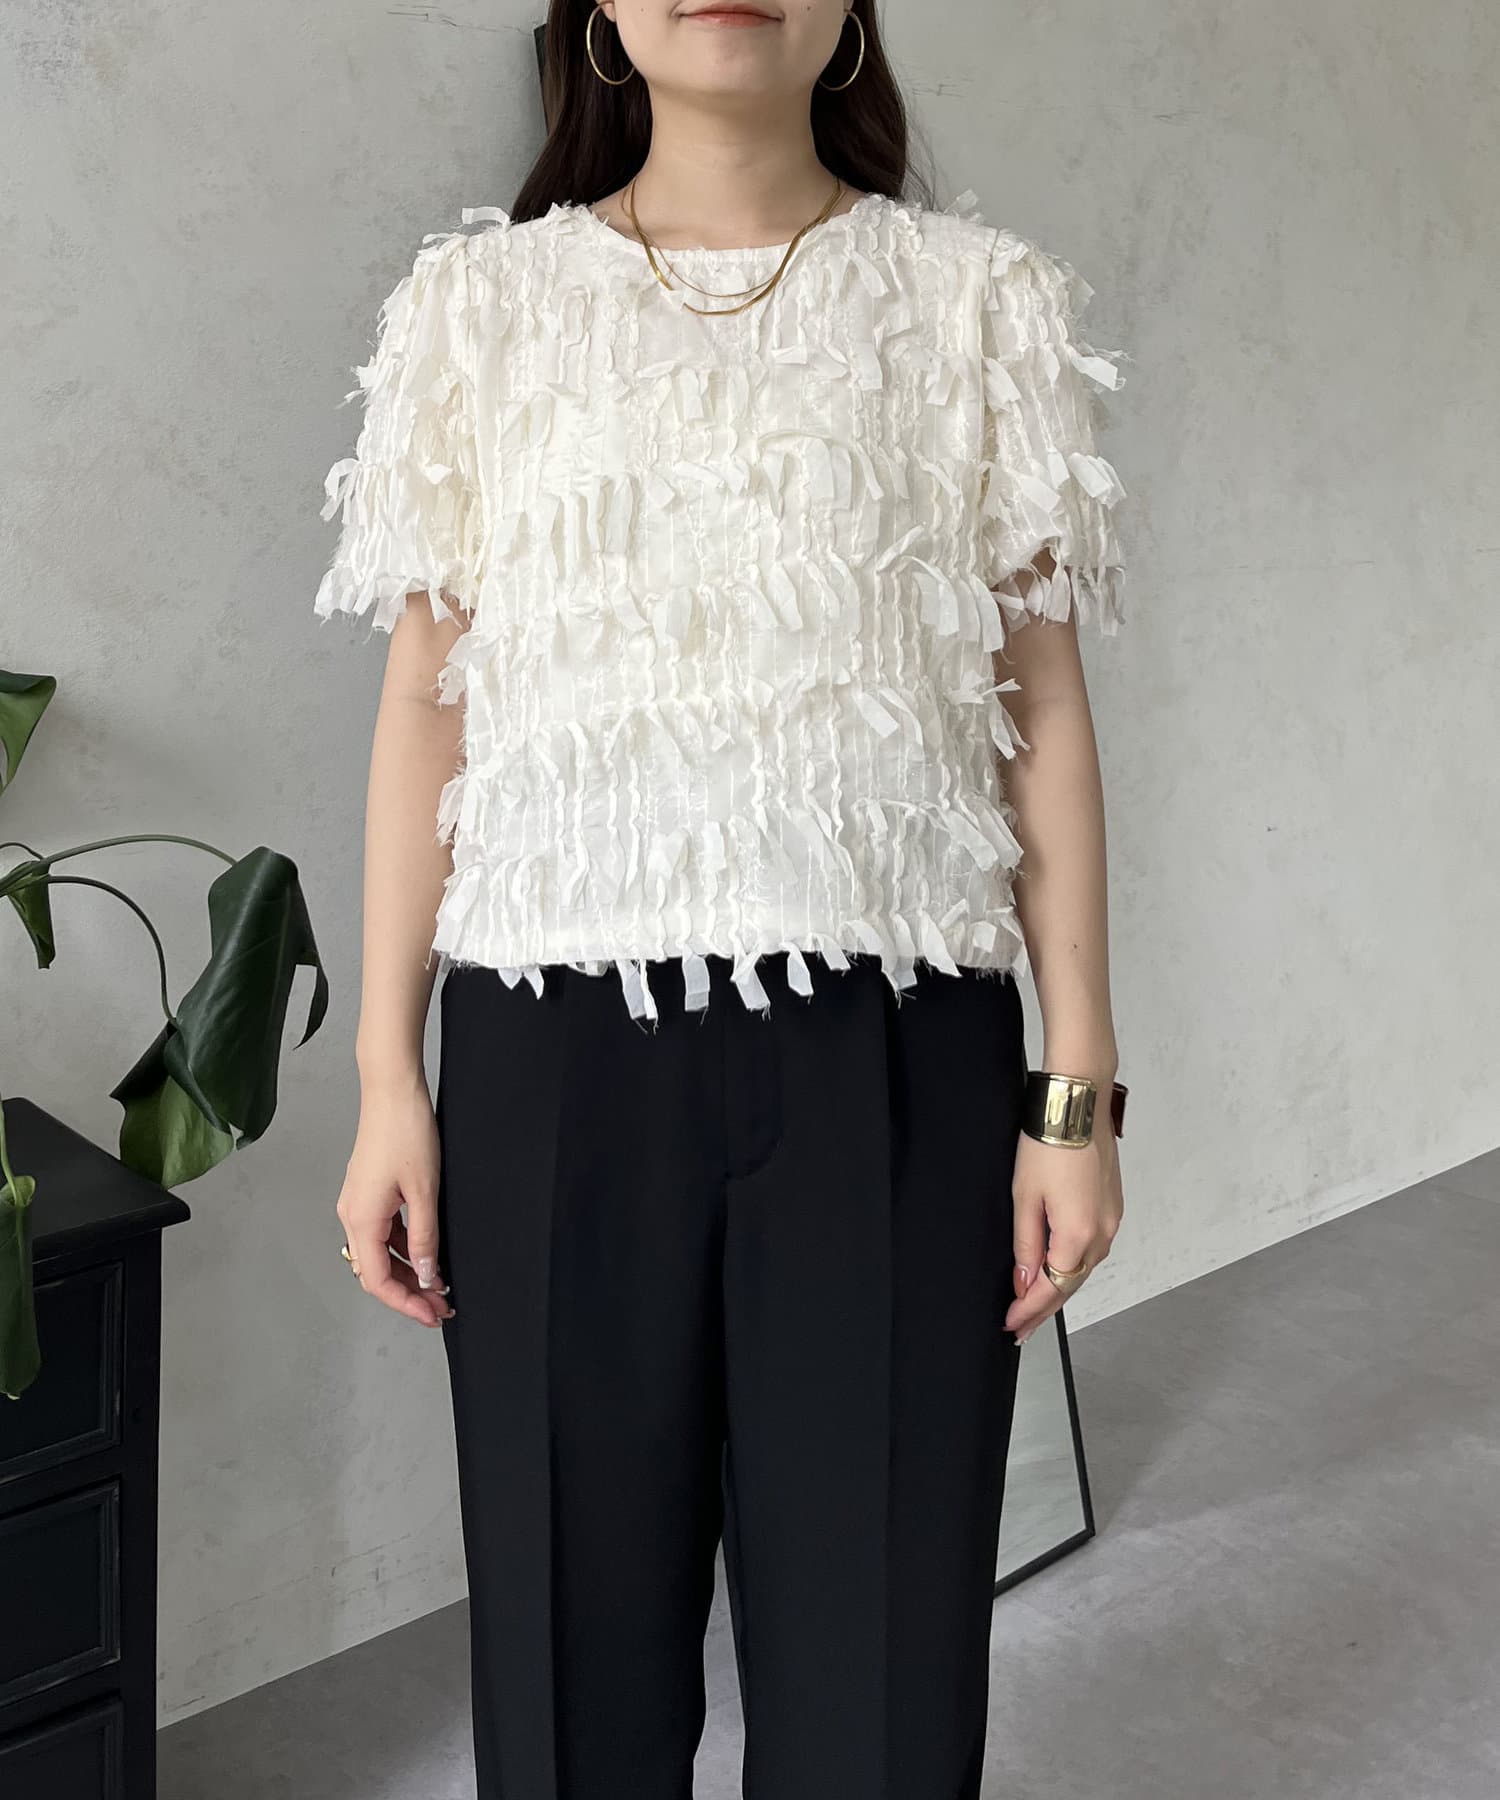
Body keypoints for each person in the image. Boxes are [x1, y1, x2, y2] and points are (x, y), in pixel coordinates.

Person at [314, 2, 1130, 1795]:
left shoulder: (978, 304)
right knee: (569, 1694)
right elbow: (427, 707)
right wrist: (388, 1075)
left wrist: (1074, 1094)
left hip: (897, 1057)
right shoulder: (478, 310)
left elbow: (1044, 708)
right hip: (553, 1062)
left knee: (882, 1693)